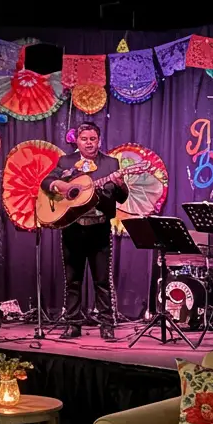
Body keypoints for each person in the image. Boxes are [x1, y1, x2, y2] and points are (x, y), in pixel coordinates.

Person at [40, 121, 127, 341]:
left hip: (99, 230)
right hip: (73, 230)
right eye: (84, 139)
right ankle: (73, 324)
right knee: (73, 280)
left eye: (93, 139)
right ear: (77, 141)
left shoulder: (111, 163)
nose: (89, 143)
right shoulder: (67, 162)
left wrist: (120, 184)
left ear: (99, 140)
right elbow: (46, 182)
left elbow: (122, 198)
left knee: (102, 281)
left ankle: (107, 325)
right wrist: (64, 187)